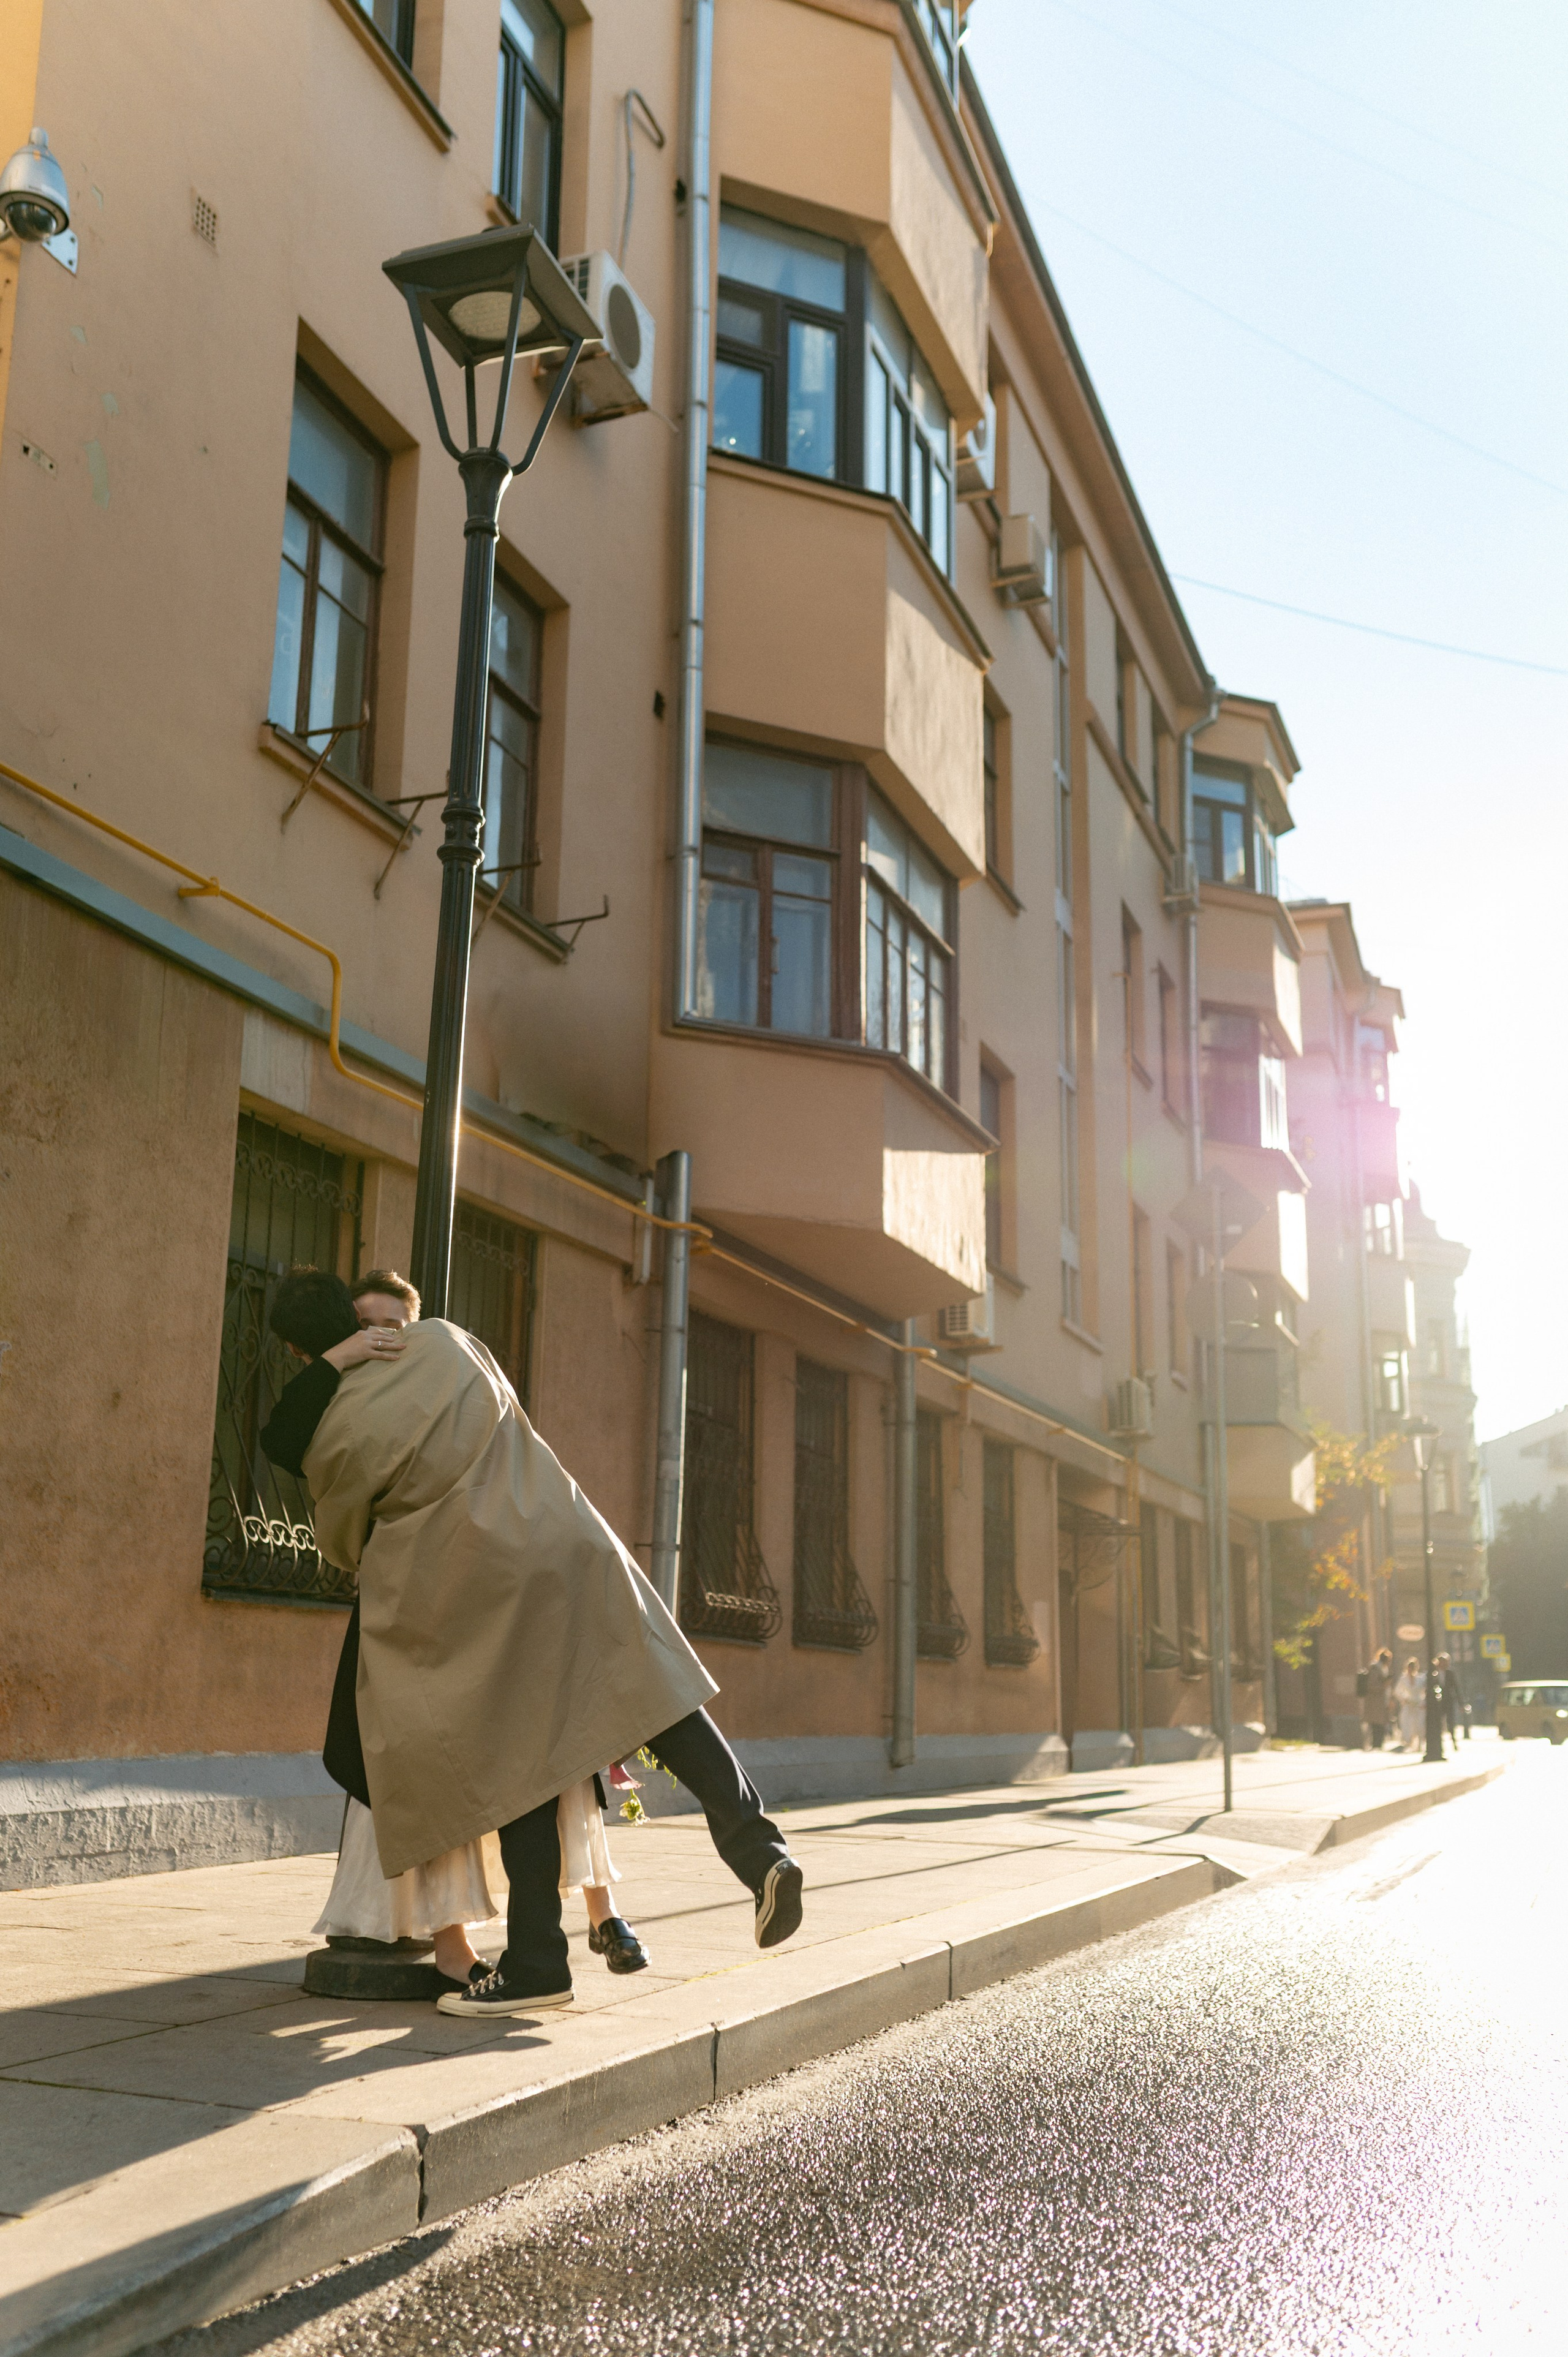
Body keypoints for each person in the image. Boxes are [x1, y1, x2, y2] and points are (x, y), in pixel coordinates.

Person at [262, 1267, 804, 2021]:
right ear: (356, 1319)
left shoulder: (335, 1429)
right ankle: (762, 1851)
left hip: (484, 1586)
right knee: (657, 1696)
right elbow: (506, 1403)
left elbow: (345, 1535)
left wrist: (335, 1368)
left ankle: (539, 1961)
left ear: (301, 1351)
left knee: (516, 1760)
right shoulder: (447, 1340)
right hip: (566, 1537)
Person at [296, 1273, 649, 1985]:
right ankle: (455, 1946)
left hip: (486, 1598)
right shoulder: (340, 1399)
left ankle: (601, 1908)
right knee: (431, 1771)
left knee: (554, 1747)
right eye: (365, 1325)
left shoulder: (451, 1383)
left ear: (418, 1332)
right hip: (409, 1616)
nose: (379, 1338)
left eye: (393, 1325)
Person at [1360, 1647, 1393, 1749]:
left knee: (1381, 1724)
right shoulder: (1375, 1669)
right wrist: (1384, 1686)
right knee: (1376, 1724)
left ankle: (1379, 1743)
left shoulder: (1383, 1669)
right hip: (1375, 1701)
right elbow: (1372, 1685)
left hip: (1382, 1701)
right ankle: (1376, 1744)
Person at [1392, 1656, 1425, 1752]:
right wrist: (1404, 1699)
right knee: (1408, 1724)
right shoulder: (1403, 1679)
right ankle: (1409, 1743)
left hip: (1419, 1704)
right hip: (1408, 1704)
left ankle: (1419, 1745)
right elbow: (1397, 1691)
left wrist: (1424, 1701)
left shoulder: (1421, 1679)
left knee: (1419, 1725)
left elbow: (1425, 1691)